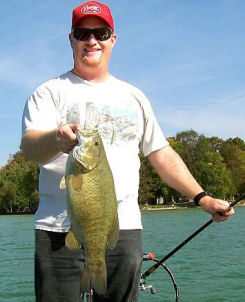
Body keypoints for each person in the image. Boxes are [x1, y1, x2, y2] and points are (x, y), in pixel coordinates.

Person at [20, 1, 234, 302]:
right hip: (57, 230)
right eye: (82, 33)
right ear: (71, 39)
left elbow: (161, 154)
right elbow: (29, 147)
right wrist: (56, 138)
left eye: (101, 33)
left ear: (113, 39)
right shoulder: (48, 92)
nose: (92, 40)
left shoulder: (134, 96)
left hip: (124, 229)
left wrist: (203, 197)